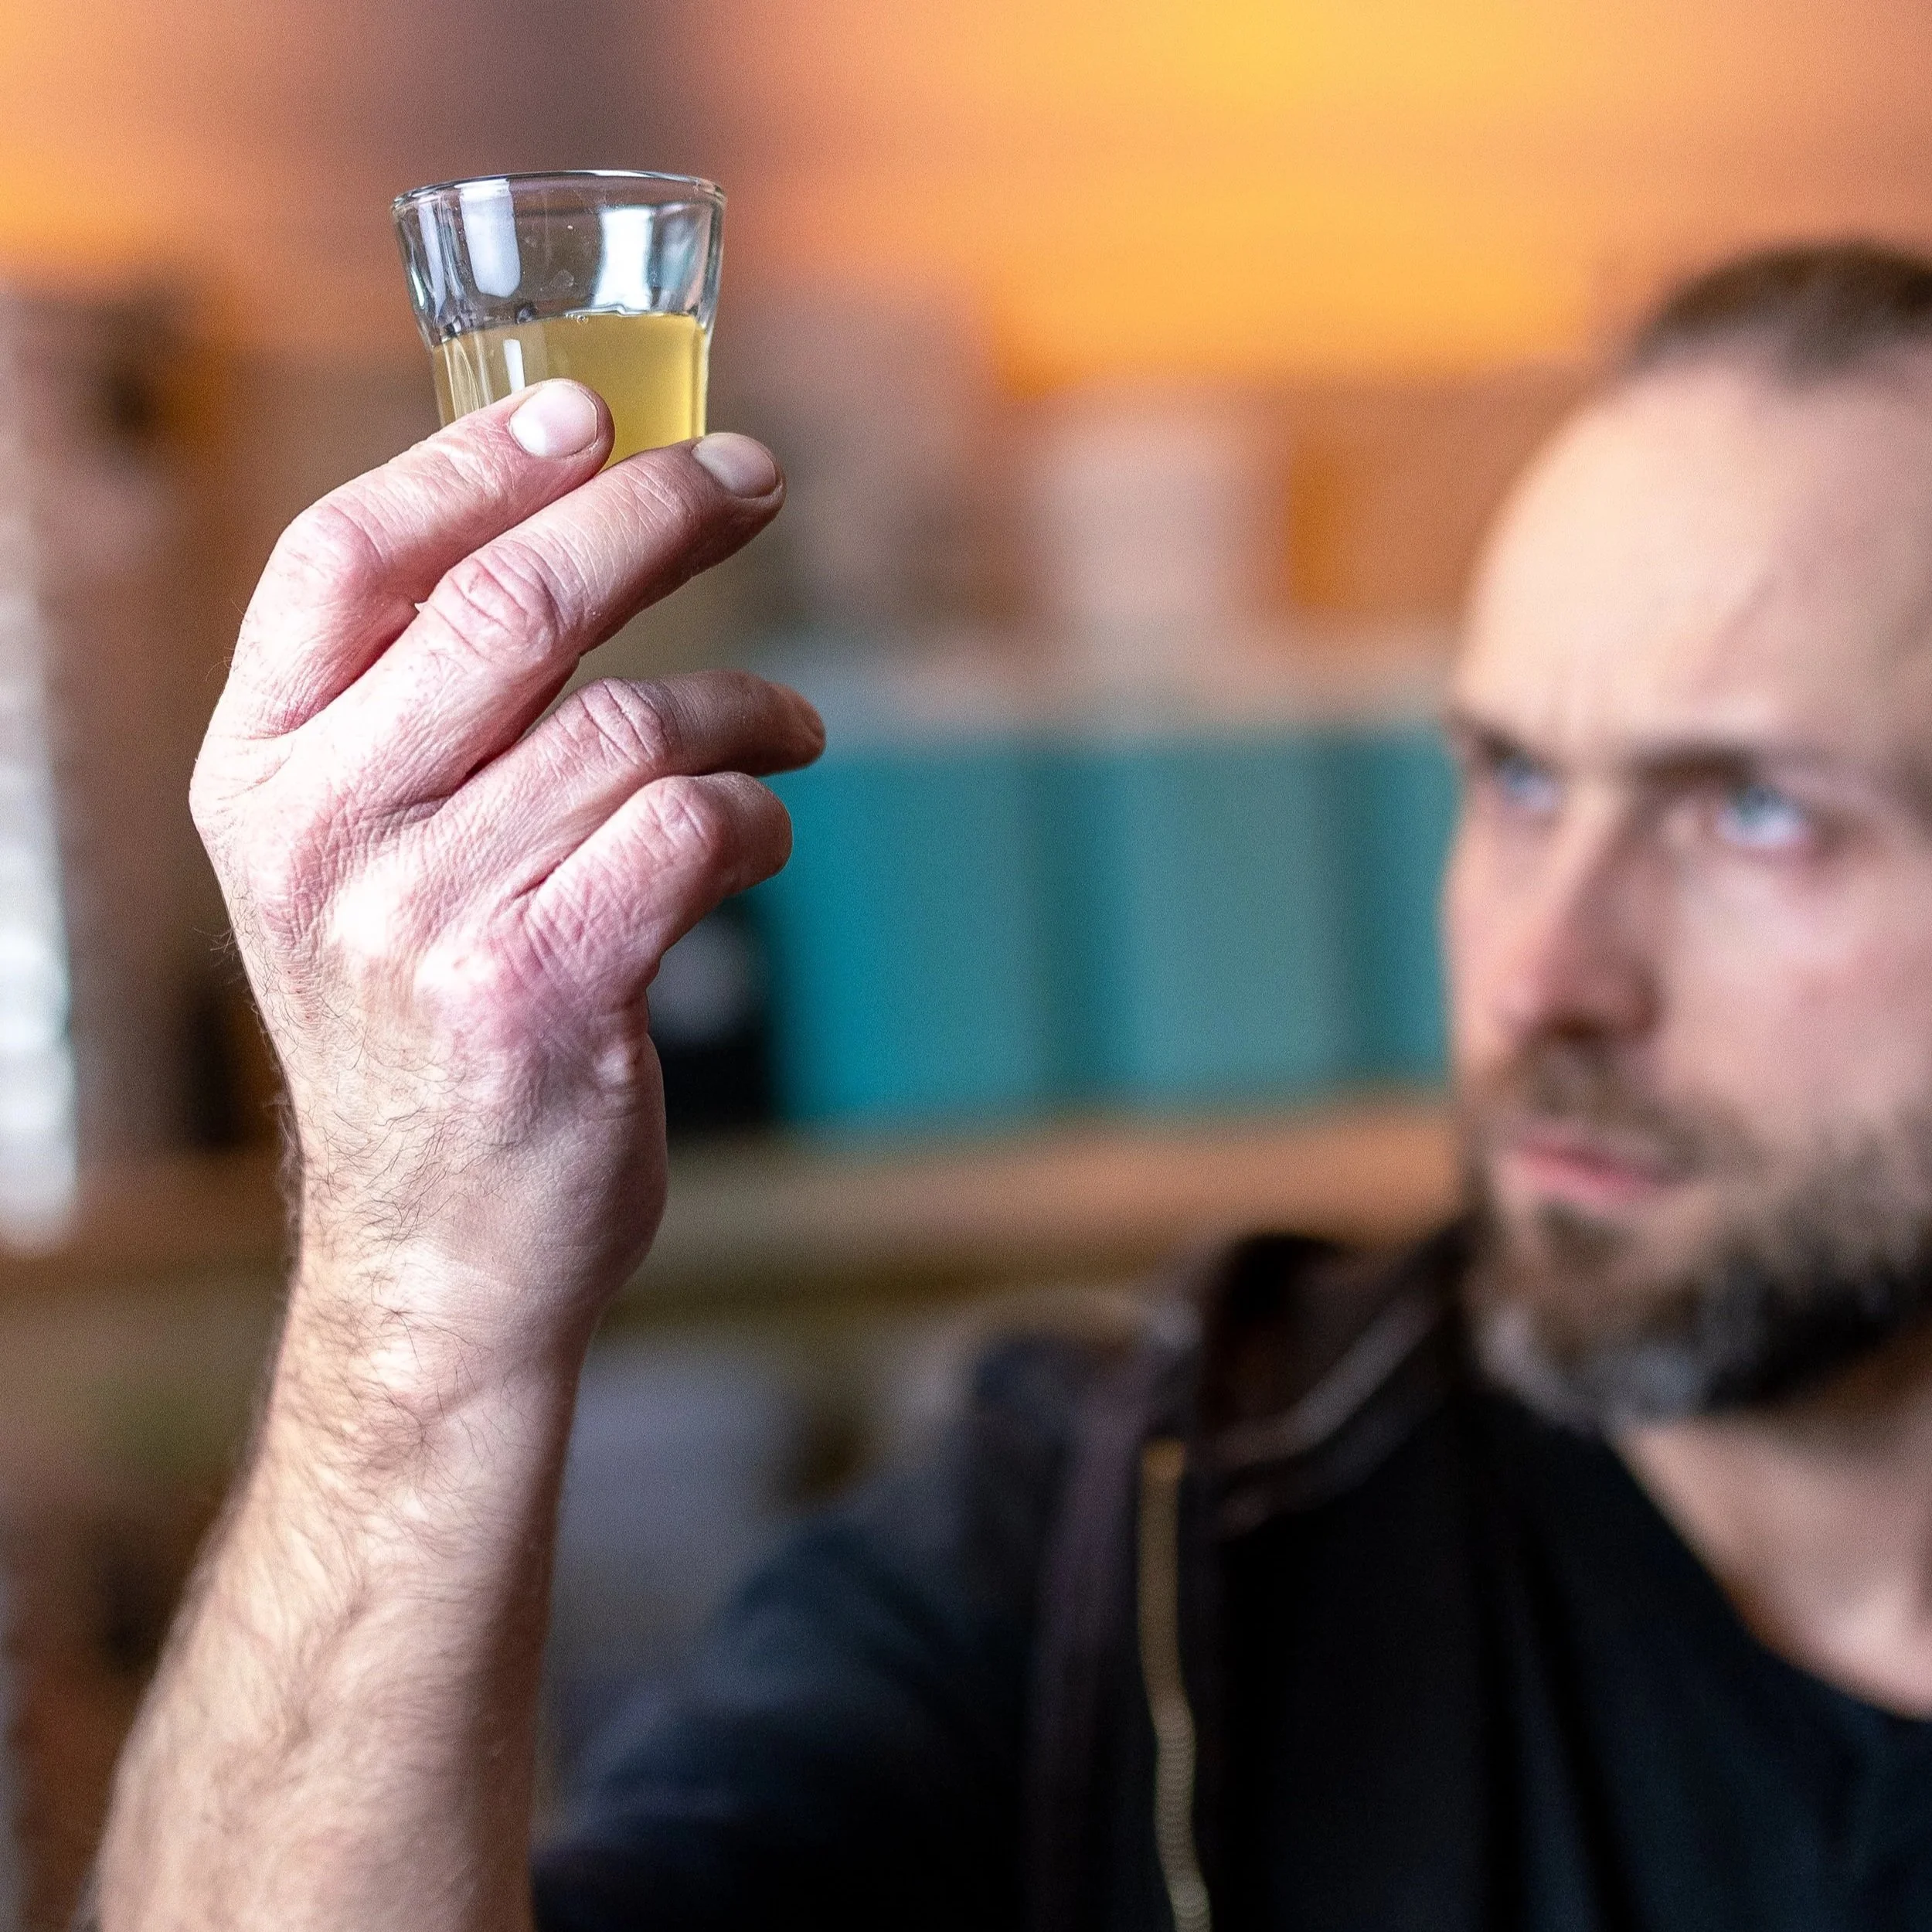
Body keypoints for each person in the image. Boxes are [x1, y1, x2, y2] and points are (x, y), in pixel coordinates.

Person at [89, 240, 1932, 1932]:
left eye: (1753, 812)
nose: (1541, 977)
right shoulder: (1122, 1559)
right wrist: (419, 1314)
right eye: (1514, 781)